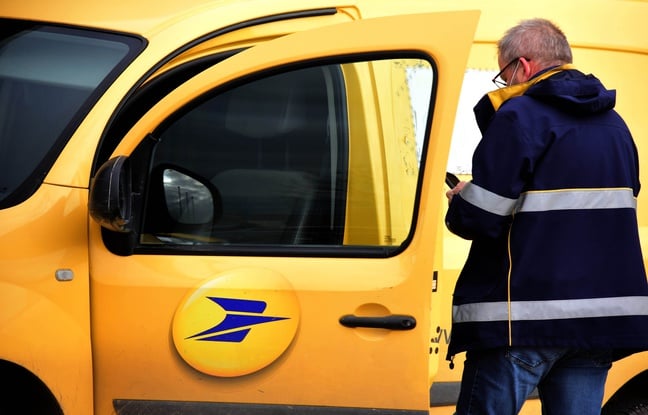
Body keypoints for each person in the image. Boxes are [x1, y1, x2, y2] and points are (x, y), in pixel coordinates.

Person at [445, 18, 648, 415]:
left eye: (504, 76)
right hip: (598, 323)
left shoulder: (519, 115)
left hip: (524, 320)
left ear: (523, 66)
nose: (504, 85)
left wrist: (460, 200)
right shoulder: (615, 125)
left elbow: (481, 217)